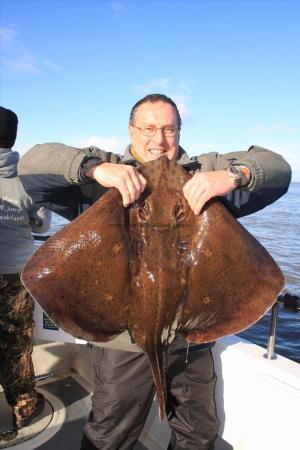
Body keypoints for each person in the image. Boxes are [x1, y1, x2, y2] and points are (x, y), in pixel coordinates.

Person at [18, 94, 291, 450]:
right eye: (148, 128)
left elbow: (278, 168)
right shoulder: (104, 175)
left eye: (168, 129)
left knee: (198, 432)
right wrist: (94, 169)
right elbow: (31, 164)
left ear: (179, 131)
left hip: (190, 336)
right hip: (122, 343)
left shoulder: (205, 170)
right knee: (110, 434)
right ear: (131, 130)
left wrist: (232, 176)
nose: (158, 140)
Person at [0, 106, 51, 433]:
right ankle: (23, 407)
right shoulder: (28, 180)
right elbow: (43, 224)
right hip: (15, 275)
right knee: (16, 344)